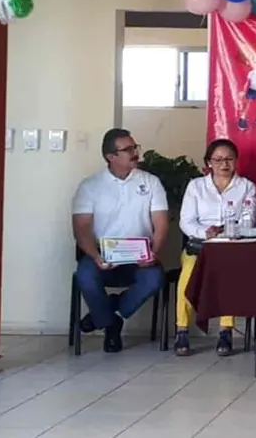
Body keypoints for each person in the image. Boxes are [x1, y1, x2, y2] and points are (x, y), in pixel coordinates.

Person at [71, 129, 167, 353]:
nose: (135, 153)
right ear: (111, 157)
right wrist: (95, 256)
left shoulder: (150, 182)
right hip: (102, 256)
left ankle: (105, 314)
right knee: (86, 275)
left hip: (140, 257)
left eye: (135, 147)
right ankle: (111, 323)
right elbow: (81, 229)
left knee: (154, 279)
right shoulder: (90, 186)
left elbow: (161, 224)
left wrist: (153, 253)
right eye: (128, 149)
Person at [174, 139, 256, 357]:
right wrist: (205, 232)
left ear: (236, 161)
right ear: (208, 163)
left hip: (231, 247)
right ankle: (182, 330)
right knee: (187, 276)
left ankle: (225, 331)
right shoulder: (196, 186)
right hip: (200, 246)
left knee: (228, 277)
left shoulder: (247, 187)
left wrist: (227, 231)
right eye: (218, 160)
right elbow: (186, 221)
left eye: (229, 159)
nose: (224, 164)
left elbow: (249, 220)